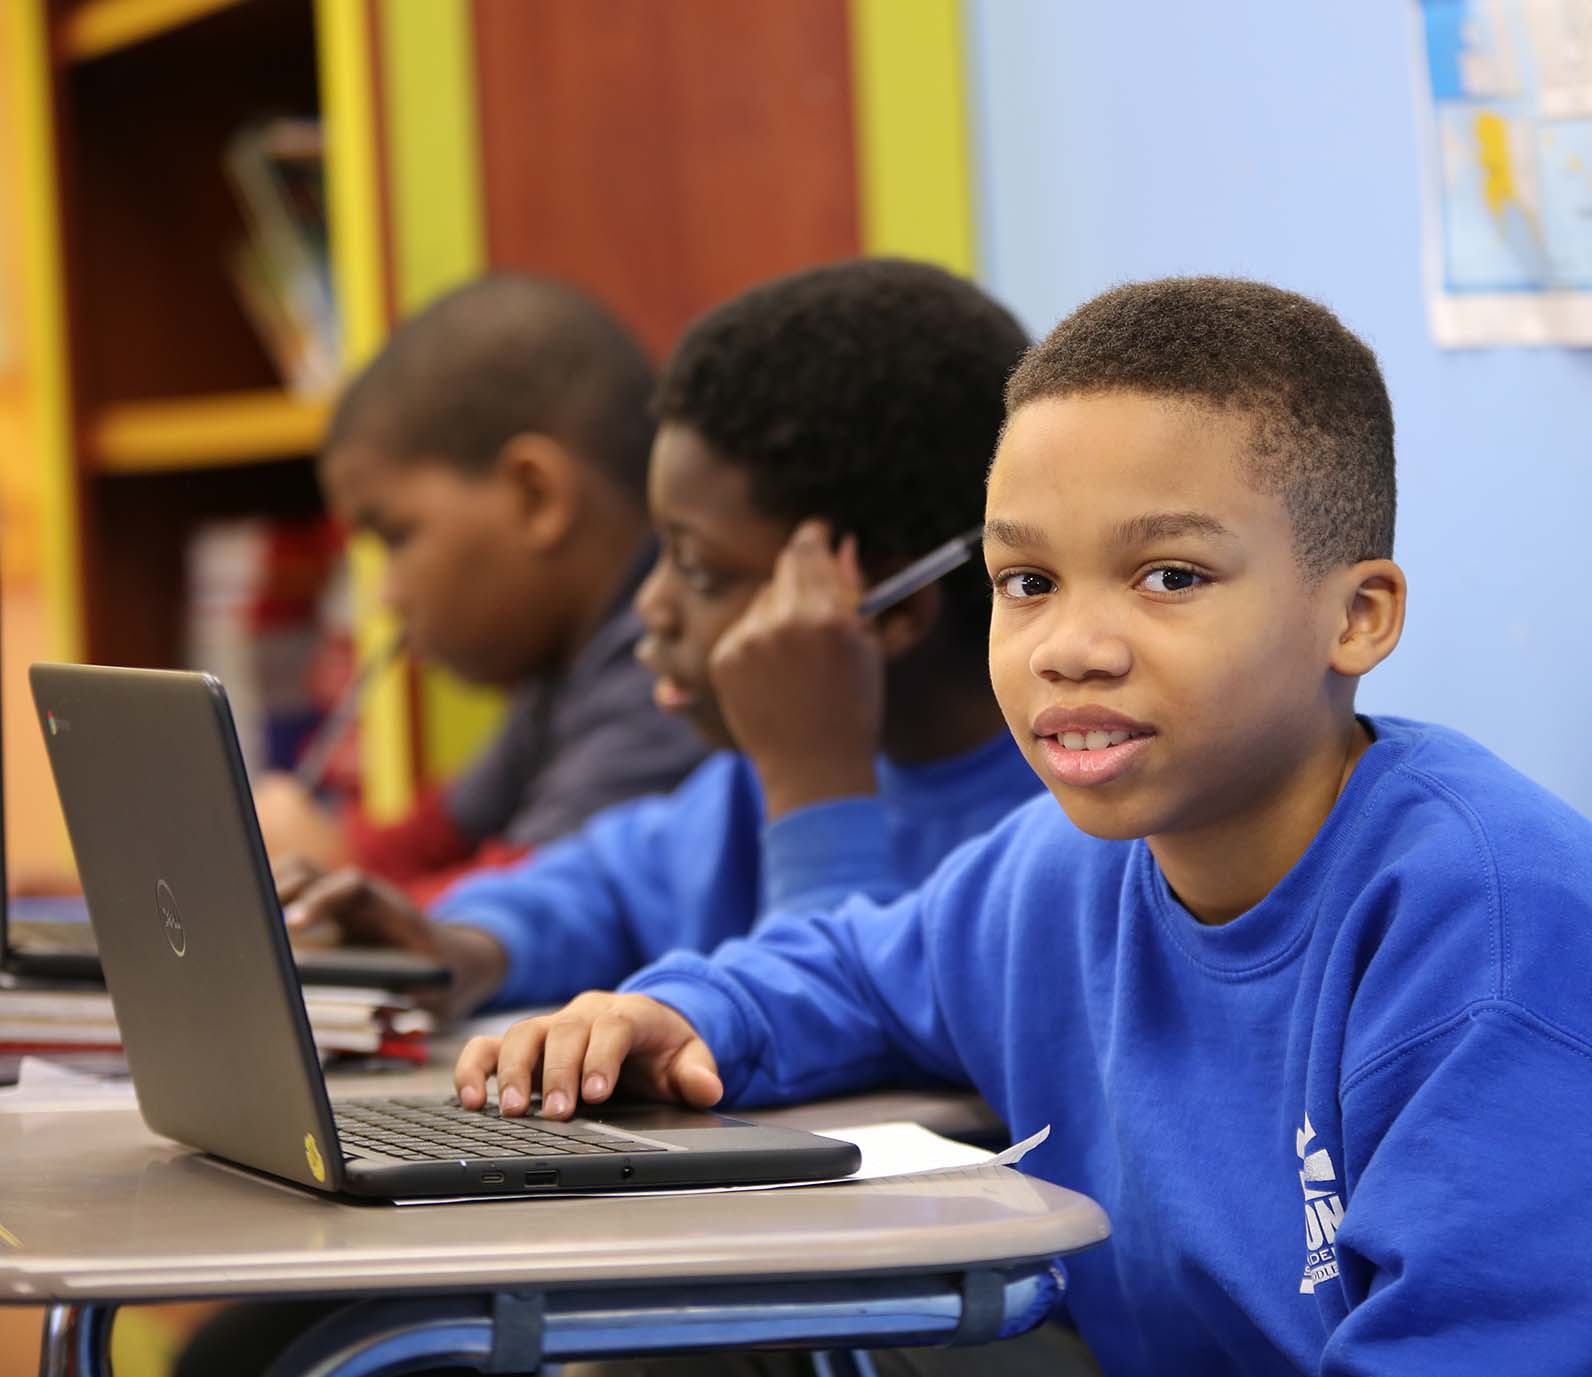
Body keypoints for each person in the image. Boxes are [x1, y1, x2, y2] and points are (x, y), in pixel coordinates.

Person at [456, 277, 1592, 1372]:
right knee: (686, 1336)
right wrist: (674, 1013)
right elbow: (856, 967)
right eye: (1027, 581)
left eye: (1169, 576)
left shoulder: (1484, 927)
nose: (1068, 646)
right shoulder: (1054, 876)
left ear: (1355, 615)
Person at [283, 258, 1046, 1024]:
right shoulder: (742, 790)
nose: (653, 604)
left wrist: (817, 789)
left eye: (703, 571)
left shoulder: (1060, 825)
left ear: (891, 608)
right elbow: (602, 888)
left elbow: (853, 1011)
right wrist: (461, 946)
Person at [253, 273, 707, 895]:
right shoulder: (565, 675)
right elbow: (433, 836)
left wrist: (327, 880)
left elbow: (536, 910)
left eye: (396, 537)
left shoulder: (665, 675)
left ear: (535, 496)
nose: (387, 594)